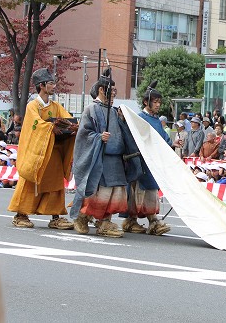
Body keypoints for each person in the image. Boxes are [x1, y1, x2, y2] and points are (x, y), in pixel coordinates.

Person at [8, 68, 78, 229]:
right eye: (51, 83)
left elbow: (67, 118)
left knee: (55, 182)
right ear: (42, 85)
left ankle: (55, 216)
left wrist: (73, 126)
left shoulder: (55, 106)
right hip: (36, 152)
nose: (54, 86)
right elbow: (35, 124)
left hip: (53, 151)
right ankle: (20, 214)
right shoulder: (33, 106)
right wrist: (49, 127)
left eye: (54, 83)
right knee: (31, 179)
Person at [70, 71, 132, 237]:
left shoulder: (113, 110)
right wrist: (98, 137)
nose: (113, 95)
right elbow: (83, 134)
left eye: (114, 92)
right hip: (100, 158)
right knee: (99, 192)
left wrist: (122, 120)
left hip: (116, 159)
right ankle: (82, 217)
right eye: (110, 91)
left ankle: (105, 221)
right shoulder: (91, 109)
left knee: (115, 192)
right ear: (101, 91)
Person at [121, 81, 171, 235]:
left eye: (159, 102)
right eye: (155, 102)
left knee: (150, 191)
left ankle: (150, 220)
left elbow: (163, 139)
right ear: (146, 102)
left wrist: (173, 142)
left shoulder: (157, 121)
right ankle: (134, 220)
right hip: (140, 161)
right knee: (138, 191)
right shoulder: (139, 118)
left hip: (153, 162)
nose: (157, 105)